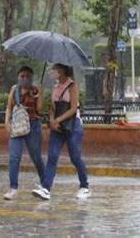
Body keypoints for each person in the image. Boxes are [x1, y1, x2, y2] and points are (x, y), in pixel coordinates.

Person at [32, 63, 90, 200]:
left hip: (72, 125)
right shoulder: (55, 87)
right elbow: (52, 107)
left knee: (75, 157)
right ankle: (46, 188)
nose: (53, 71)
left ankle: (85, 186)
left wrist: (58, 119)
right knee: (52, 156)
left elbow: (73, 108)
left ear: (62, 70)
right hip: (57, 127)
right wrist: (52, 120)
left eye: (55, 69)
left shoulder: (73, 86)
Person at [3, 66, 45, 200]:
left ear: (32, 77)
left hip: (33, 126)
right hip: (17, 126)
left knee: (36, 157)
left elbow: (39, 110)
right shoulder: (14, 89)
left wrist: (41, 94)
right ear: (18, 77)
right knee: (14, 157)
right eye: (22, 76)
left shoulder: (36, 90)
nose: (25, 78)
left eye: (28, 76)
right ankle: (13, 188)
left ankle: (45, 185)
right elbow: (9, 107)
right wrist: (6, 122)